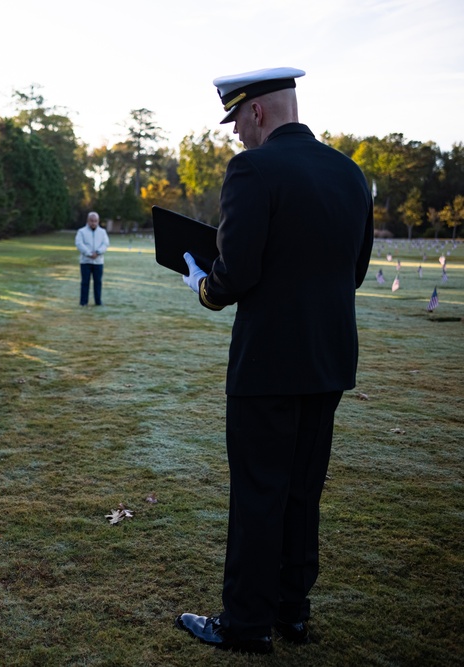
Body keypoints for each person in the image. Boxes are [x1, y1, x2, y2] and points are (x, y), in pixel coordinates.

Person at [174, 67, 373, 653]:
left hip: (267, 364)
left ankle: (245, 623)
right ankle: (293, 611)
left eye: (236, 119)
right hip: (329, 357)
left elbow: (236, 275)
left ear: (258, 112)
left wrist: (203, 286)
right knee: (302, 491)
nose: (235, 133)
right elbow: (354, 273)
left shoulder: (252, 169)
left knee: (259, 491)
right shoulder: (349, 172)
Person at [75, 211, 109, 306]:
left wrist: (98, 252)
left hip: (98, 262)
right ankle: (83, 302)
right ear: (88, 221)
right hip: (85, 261)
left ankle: (98, 301)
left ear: (98, 221)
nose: (93, 223)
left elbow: (105, 244)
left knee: (98, 282)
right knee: (85, 282)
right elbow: (79, 244)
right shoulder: (81, 232)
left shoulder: (102, 232)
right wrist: (88, 253)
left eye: (95, 221)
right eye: (91, 221)